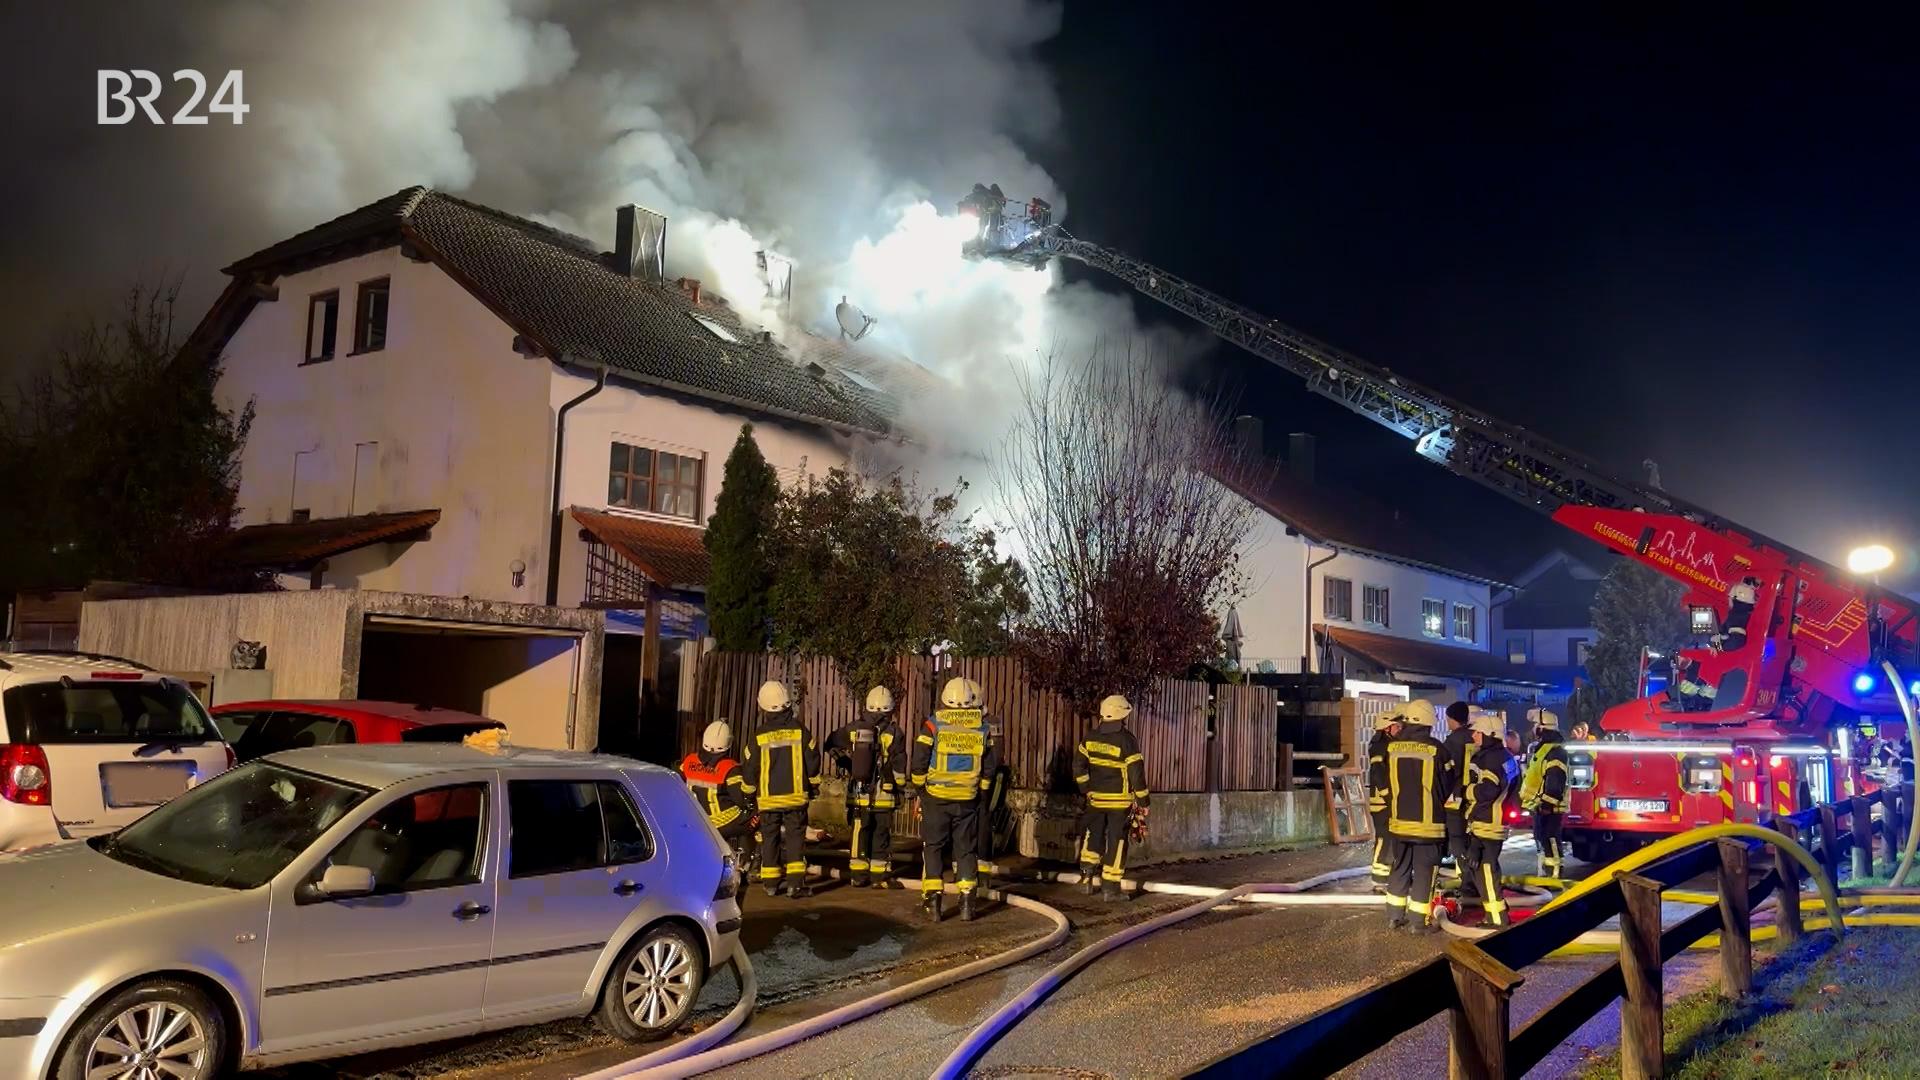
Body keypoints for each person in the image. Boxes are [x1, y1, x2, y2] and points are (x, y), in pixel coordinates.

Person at [911, 677, 997, 922]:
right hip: (967, 799)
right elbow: (989, 767)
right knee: (966, 850)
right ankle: (968, 902)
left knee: (934, 848)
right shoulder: (982, 728)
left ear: (945, 700)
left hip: (936, 797)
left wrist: (921, 791)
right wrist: (981, 792)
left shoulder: (933, 725)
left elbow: (919, 763)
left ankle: (934, 903)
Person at [737, 680, 821, 899]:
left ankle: (771, 884)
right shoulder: (799, 730)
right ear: (787, 704)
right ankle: (795, 885)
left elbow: (749, 766)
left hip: (767, 800)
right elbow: (812, 758)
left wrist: (748, 793)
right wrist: (813, 784)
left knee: (769, 837)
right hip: (796, 798)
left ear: (763, 706)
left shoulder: (758, 735)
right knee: (795, 839)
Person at [825, 686, 909, 888]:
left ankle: (858, 875)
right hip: (884, 794)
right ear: (890, 709)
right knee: (881, 833)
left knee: (859, 832)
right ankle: (879, 877)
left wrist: (847, 763)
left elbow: (829, 743)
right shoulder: (895, 733)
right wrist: (900, 787)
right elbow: (899, 764)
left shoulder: (854, 728)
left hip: (859, 793)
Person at [1075, 694, 1151, 903]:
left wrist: (1086, 789)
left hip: (1095, 800)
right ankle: (1110, 888)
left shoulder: (1090, 738)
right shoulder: (1127, 740)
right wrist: (1144, 802)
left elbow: (1079, 766)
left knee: (1093, 834)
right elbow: (1137, 774)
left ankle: (1086, 879)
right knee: (1117, 841)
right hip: (1119, 802)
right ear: (1122, 715)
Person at [1383, 700, 1448, 934]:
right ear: (1428, 721)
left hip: (1399, 823)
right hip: (1427, 826)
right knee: (1424, 871)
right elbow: (1447, 784)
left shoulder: (1393, 748)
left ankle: (1393, 917)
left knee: (1399, 867)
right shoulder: (1436, 749)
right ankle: (1418, 923)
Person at [1460, 710, 1516, 927]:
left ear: (1489, 735)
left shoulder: (1490, 759)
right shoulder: (1505, 757)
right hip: (1496, 821)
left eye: (1477, 733)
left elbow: (1487, 792)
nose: (1473, 736)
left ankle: (1496, 918)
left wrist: (1465, 791)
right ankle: (1498, 912)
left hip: (1486, 823)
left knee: (1485, 869)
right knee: (1488, 868)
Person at [1519, 708, 1570, 879]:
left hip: (1549, 808)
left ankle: (1554, 873)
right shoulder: (1543, 749)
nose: (1533, 729)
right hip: (1540, 806)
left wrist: (1547, 804)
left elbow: (1555, 782)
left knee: (1551, 839)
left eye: (1535, 725)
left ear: (1543, 728)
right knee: (1543, 838)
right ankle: (1545, 872)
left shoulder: (1555, 752)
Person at [1365, 710, 1402, 891]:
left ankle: (1388, 875)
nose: (1399, 728)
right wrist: (1388, 794)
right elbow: (1378, 773)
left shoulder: (1389, 744)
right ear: (1387, 727)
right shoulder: (1380, 746)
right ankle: (1379, 879)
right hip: (1382, 801)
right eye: (1396, 725)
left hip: (1389, 800)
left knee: (1390, 838)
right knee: (1383, 838)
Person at [1440, 701, 1474, 868]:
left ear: (1452, 719)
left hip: (1455, 793)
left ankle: (1463, 873)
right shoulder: (1475, 737)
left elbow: (1446, 771)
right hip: (1474, 794)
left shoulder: (1452, 741)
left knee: (1456, 835)